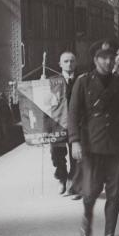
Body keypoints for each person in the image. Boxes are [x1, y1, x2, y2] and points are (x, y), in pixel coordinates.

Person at [68, 39, 119, 236]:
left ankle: (109, 235)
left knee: (114, 192)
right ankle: (87, 216)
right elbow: (73, 114)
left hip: (116, 143)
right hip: (92, 144)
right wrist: (74, 142)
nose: (109, 62)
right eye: (104, 58)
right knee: (90, 191)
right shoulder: (83, 82)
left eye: (112, 57)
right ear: (95, 59)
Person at [50, 51, 82, 198]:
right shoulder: (52, 81)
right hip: (58, 123)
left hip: (77, 123)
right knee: (57, 154)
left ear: (76, 63)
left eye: (72, 61)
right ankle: (62, 178)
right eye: (66, 61)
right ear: (60, 64)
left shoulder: (81, 80)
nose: (69, 64)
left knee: (76, 154)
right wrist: (42, 85)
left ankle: (74, 183)